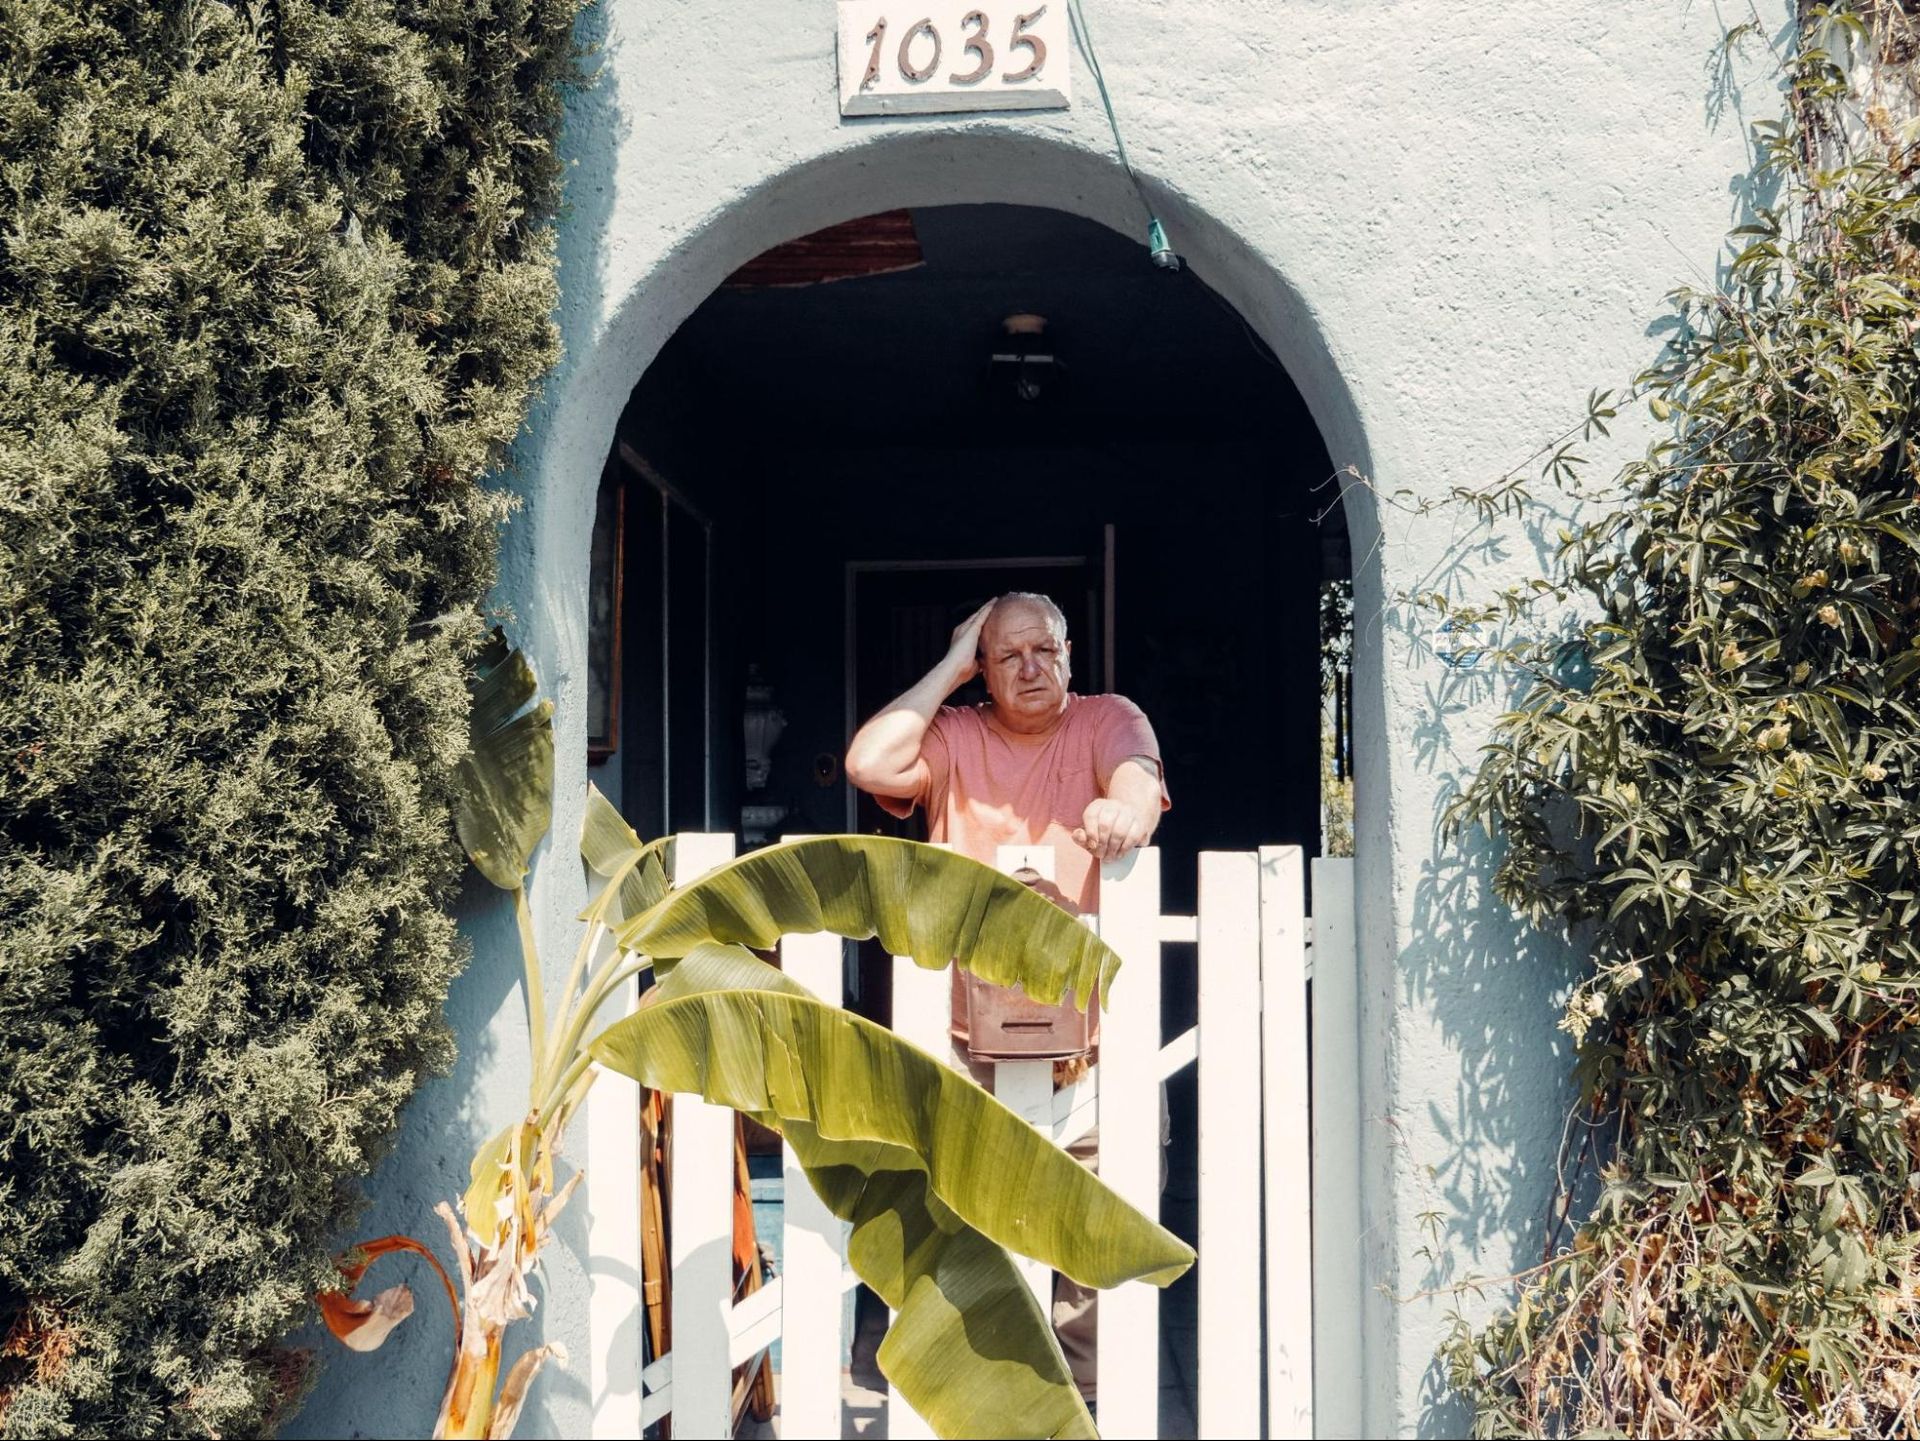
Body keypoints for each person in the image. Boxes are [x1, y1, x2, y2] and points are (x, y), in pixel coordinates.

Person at [843, 590, 1169, 1398]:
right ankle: (987, 1396)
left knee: (1098, 1226)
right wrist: (951, 664)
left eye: (1046, 650)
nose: (1031, 667)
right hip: (965, 1039)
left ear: (1069, 654)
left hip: (1093, 1042)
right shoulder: (955, 733)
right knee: (970, 1228)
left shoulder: (1107, 719)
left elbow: (1136, 788)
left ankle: (1083, 1400)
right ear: (984, 670)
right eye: (1008, 654)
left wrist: (1121, 814)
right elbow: (869, 763)